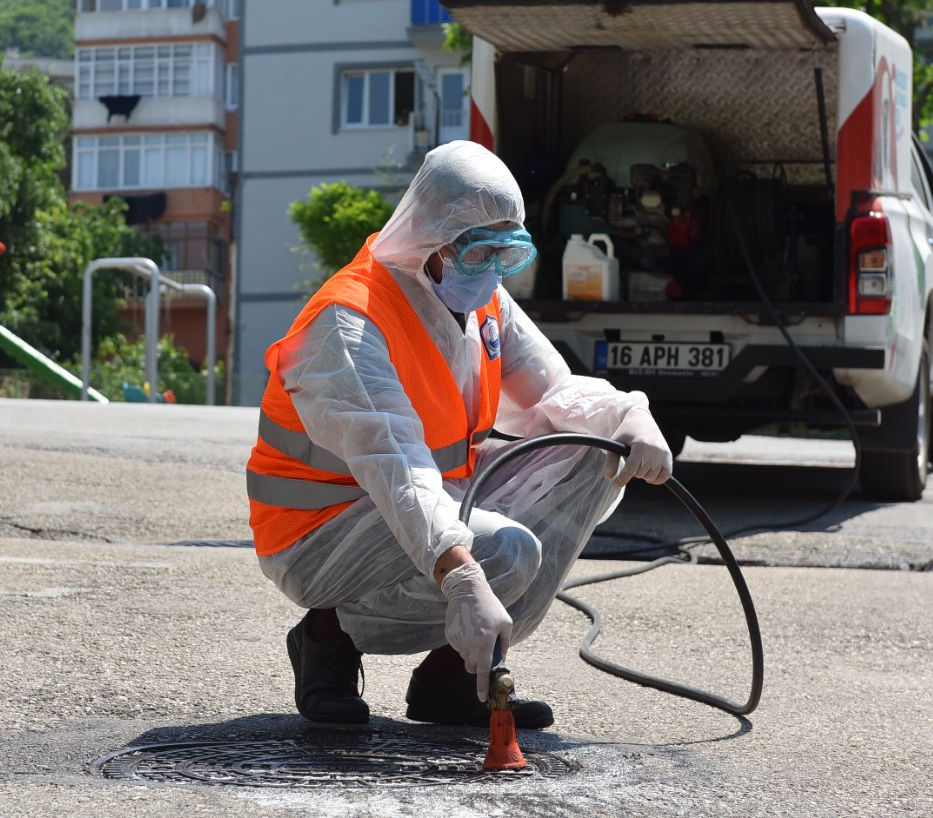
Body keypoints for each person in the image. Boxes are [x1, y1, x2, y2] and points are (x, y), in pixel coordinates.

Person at [247, 141, 673, 728]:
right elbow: (397, 468)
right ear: (432, 241)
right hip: (318, 531)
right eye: (479, 251)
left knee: (595, 452)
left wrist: (628, 416)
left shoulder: (482, 299)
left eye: (508, 250)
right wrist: (464, 575)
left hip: (424, 496)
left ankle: (451, 682)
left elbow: (552, 393)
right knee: (505, 551)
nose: (493, 268)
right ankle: (328, 635)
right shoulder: (349, 321)